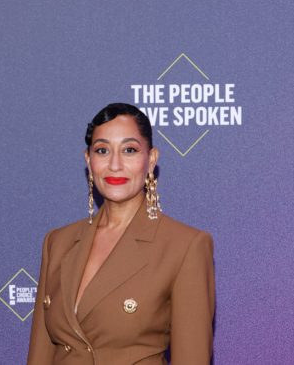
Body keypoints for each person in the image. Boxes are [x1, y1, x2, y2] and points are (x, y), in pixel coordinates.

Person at [27, 103, 215, 365]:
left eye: (129, 150)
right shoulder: (58, 243)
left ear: (151, 160)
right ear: (88, 161)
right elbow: (40, 354)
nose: (114, 165)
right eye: (102, 150)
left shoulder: (185, 246)